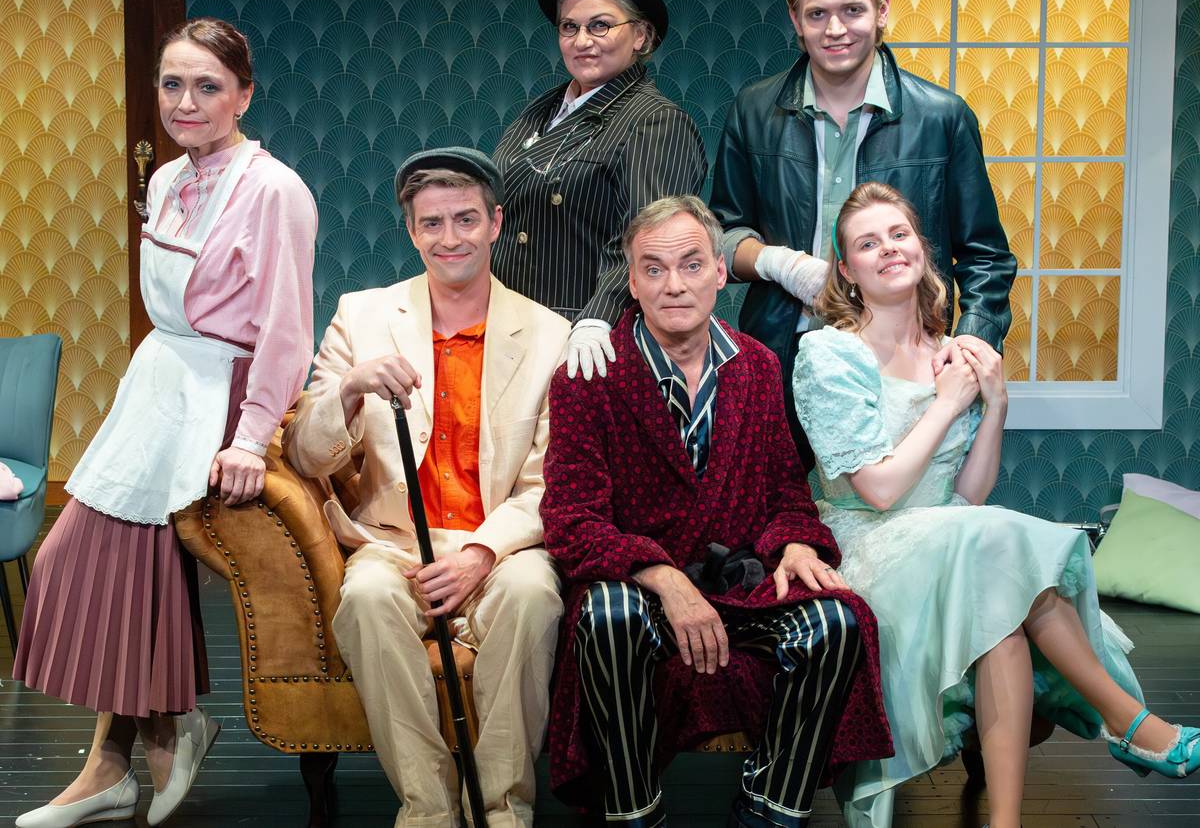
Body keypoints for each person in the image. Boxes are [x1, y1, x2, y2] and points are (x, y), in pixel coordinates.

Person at [792, 182, 1200, 828]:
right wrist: (949, 403)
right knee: (997, 560)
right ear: (847, 270)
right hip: (868, 544)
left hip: (952, 540)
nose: (888, 249)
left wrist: (996, 403)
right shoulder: (829, 353)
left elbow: (968, 495)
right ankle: (1130, 723)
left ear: (922, 249)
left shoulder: (949, 353)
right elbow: (880, 489)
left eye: (899, 234)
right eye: (867, 244)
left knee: (1000, 613)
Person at [14, 18, 317, 827]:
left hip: (217, 394)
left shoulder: (275, 189)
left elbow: (286, 329)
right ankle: (153, 737)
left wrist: (250, 436)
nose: (186, 102)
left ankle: (130, 754)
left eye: (208, 86)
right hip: (158, 386)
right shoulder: (171, 175)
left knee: (127, 566)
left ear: (244, 96)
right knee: (80, 564)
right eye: (172, 84)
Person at [540, 195, 892, 828]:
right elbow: (571, 520)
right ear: (631, 281)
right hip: (637, 590)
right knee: (605, 615)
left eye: (691, 264)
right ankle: (633, 811)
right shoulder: (588, 376)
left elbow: (787, 492)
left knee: (837, 621)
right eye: (653, 269)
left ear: (720, 272)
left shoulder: (757, 366)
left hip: (739, 587)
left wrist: (797, 543)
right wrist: (662, 576)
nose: (674, 285)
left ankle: (768, 809)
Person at [283, 148, 568, 827]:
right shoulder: (362, 316)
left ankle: (502, 809)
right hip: (394, 542)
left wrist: (482, 554)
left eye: (466, 219)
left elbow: (549, 483)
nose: (450, 238)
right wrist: (349, 389)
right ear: (411, 231)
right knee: (366, 599)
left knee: (534, 596)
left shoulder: (549, 333)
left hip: (499, 546)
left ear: (496, 223)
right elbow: (305, 454)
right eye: (432, 223)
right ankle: (429, 810)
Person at [710, 0, 1016, 466]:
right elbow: (723, 236)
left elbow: (987, 257)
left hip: (904, 369)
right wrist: (783, 265)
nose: (835, 29)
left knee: (897, 505)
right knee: (780, 515)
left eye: (852, 10)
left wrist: (968, 345)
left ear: (883, 9)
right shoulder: (753, 110)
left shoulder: (943, 118)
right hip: (782, 357)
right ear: (794, 18)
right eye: (817, 13)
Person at [492, 0, 706, 381]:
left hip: (591, 344)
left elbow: (648, 242)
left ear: (641, 35)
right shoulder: (540, 110)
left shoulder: (655, 121)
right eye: (569, 27)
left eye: (600, 25)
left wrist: (596, 320)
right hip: (511, 330)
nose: (582, 41)